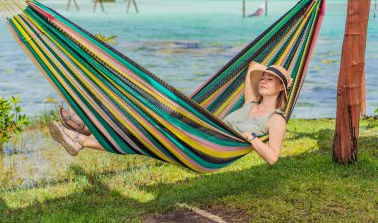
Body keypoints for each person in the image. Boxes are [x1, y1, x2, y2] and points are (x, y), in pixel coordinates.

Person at [49, 61, 292, 165]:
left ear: (281, 87)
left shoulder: (276, 119)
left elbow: (272, 157)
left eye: (271, 80)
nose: (264, 81)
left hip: (206, 147)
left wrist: (251, 138)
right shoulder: (250, 102)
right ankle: (83, 132)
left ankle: (82, 134)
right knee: (140, 118)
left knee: (144, 134)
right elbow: (253, 65)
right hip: (195, 130)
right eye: (265, 78)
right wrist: (274, 71)